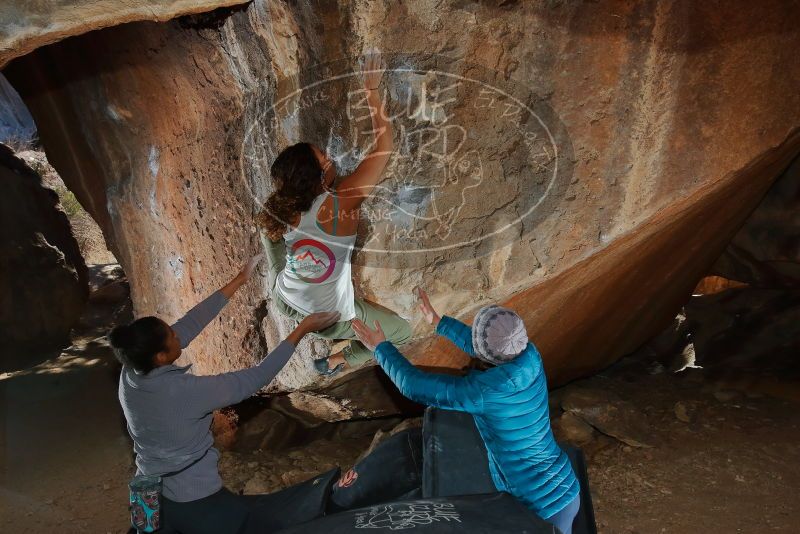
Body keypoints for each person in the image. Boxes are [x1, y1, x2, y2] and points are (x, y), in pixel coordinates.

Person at [110, 254, 340, 533]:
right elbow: (256, 377)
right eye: (172, 336)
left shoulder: (132, 371)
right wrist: (301, 329)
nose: (178, 335)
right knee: (247, 524)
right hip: (191, 495)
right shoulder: (184, 393)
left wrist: (239, 281)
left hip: (146, 487)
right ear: (160, 356)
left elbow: (190, 323)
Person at [352, 287, 581, 534]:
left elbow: (414, 386)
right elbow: (488, 347)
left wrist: (381, 348)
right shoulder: (530, 356)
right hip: (565, 487)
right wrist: (439, 323)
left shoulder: (484, 392)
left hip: (539, 508)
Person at [256, 50, 411, 377]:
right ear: (317, 177)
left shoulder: (282, 204)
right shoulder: (341, 202)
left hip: (285, 297)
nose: (330, 158)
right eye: (324, 159)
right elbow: (384, 144)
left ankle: (286, 278)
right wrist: (370, 91)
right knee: (400, 332)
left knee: (271, 233)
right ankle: (343, 358)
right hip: (329, 319)